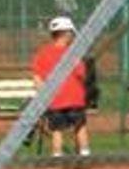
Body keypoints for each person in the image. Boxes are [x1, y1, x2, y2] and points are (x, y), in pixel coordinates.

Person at [30, 16, 91, 159]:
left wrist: (43, 96)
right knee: (80, 126)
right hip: (75, 99)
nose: (72, 36)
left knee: (57, 130)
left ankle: (57, 155)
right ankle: (85, 154)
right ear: (66, 34)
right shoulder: (74, 53)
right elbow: (82, 74)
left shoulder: (43, 53)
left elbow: (37, 78)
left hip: (55, 100)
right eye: (71, 33)